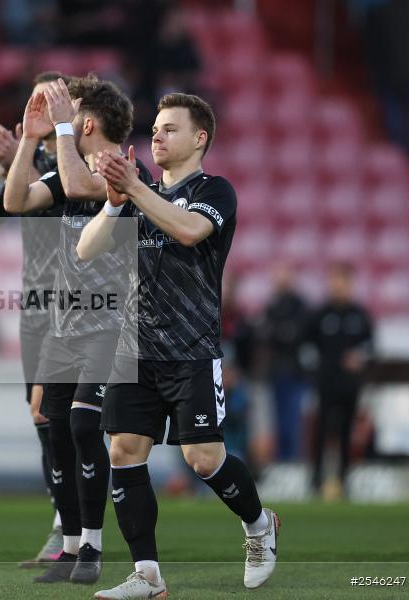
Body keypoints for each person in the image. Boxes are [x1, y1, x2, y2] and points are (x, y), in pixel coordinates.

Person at [79, 92, 279, 598]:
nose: (157, 136)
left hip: (192, 348)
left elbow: (190, 230)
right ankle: (147, 575)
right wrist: (114, 201)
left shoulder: (216, 190)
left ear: (199, 137)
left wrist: (135, 190)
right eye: (155, 129)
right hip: (135, 348)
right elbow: (86, 249)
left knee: (204, 459)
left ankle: (259, 525)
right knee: (124, 451)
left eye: (170, 128)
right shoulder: (138, 192)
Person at [5, 74, 150, 585]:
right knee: (58, 430)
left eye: (73, 115)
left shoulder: (125, 168)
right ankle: (70, 547)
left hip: (112, 325)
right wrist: (29, 138)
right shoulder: (66, 165)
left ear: (86, 123)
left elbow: (80, 188)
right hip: (63, 328)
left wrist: (60, 129)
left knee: (86, 427)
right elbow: (15, 201)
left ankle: (92, 546)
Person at [0, 71, 69, 567]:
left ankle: (74, 527)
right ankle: (65, 521)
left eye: (51, 99)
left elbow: (63, 211)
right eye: (36, 99)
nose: (42, 108)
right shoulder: (30, 155)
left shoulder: (76, 159)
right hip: (35, 305)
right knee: (42, 419)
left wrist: (23, 160)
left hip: (75, 305)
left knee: (69, 418)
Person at [304, 263, 373, 498]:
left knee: (346, 433)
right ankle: (316, 479)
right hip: (326, 384)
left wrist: (360, 358)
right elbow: (306, 347)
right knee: (321, 431)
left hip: (350, 386)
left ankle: (344, 480)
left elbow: (370, 347)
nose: (338, 286)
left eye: (343, 281)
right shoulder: (320, 314)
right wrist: (316, 367)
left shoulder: (359, 315)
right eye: (335, 281)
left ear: (350, 285)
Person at [259, 265, 310, 461]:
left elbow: (296, 334)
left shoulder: (299, 305)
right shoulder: (272, 306)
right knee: (278, 421)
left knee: (292, 420)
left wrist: (281, 333)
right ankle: (281, 460)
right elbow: (267, 334)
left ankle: (292, 460)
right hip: (277, 371)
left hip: (295, 372)